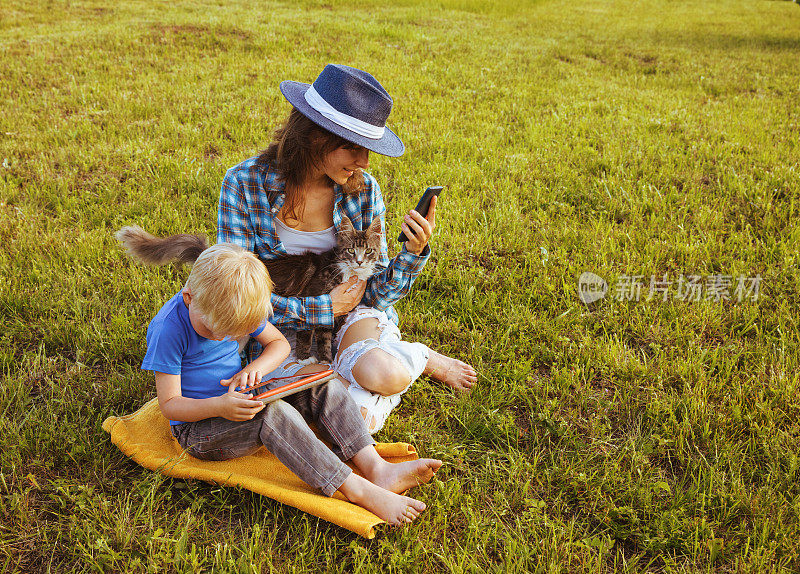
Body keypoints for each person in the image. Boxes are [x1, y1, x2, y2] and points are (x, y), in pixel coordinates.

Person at [217, 64, 478, 433]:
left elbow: (374, 293)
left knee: (383, 378)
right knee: (321, 421)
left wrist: (412, 254)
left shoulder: (364, 189)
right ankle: (348, 378)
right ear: (314, 137)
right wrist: (322, 308)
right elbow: (236, 294)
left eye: (367, 149)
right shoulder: (243, 184)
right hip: (279, 328)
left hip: (353, 316)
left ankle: (416, 356)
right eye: (352, 148)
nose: (364, 163)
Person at [141, 242, 441, 525]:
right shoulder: (168, 329)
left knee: (317, 383)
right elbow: (169, 406)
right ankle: (355, 489)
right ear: (189, 297)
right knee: (274, 417)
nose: (224, 339)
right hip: (199, 429)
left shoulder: (236, 301)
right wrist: (220, 405)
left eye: (236, 333)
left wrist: (255, 368)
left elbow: (278, 344)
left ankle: (376, 466)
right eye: (217, 332)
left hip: (241, 398)